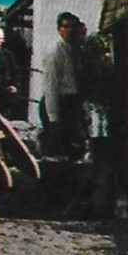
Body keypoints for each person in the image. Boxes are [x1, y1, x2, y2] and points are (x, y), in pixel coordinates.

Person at [41, 12, 88, 160]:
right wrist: (54, 117)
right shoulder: (55, 52)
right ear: (59, 29)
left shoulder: (76, 49)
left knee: (76, 147)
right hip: (59, 103)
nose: (70, 30)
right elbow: (51, 84)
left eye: (73, 26)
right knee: (60, 149)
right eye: (66, 27)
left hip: (73, 103)